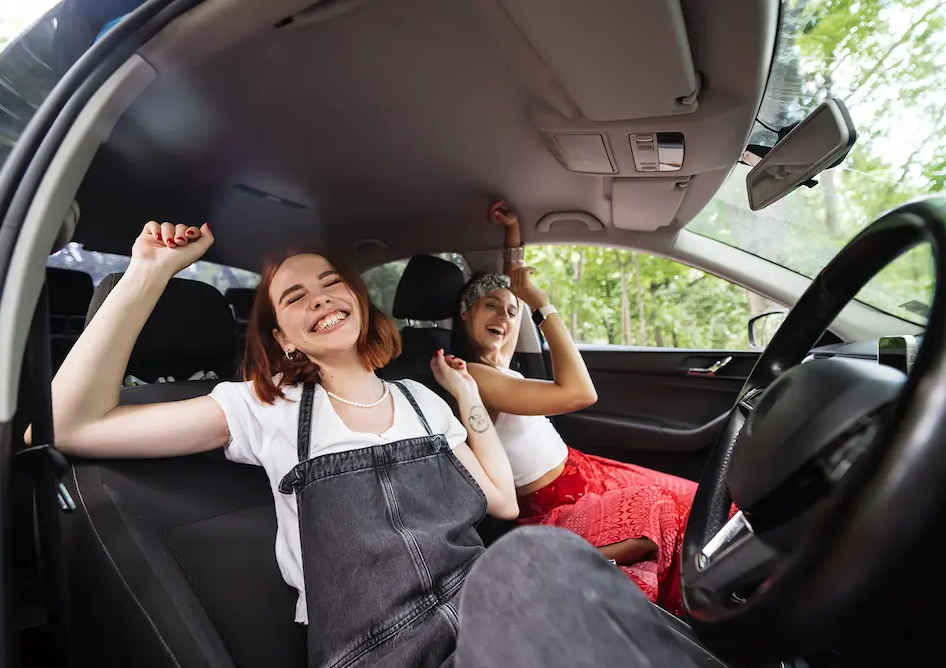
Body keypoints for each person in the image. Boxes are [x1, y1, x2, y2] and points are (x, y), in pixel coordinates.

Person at [37, 220, 706, 667]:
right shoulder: (264, 408)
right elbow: (73, 425)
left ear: (358, 301)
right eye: (294, 296)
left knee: (549, 557)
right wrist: (148, 275)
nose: (320, 297)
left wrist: (468, 396)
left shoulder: (423, 401)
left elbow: (502, 503)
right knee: (540, 558)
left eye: (331, 282)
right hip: (381, 652)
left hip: (484, 622)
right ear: (285, 338)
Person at [450, 201, 703, 615]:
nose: (505, 315)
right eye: (490, 306)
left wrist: (513, 234)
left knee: (699, 505)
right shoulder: (475, 378)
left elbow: (512, 282)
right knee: (667, 516)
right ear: (466, 314)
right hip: (555, 506)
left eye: (513, 311)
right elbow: (580, 393)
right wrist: (540, 303)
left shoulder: (502, 373)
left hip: (586, 472)